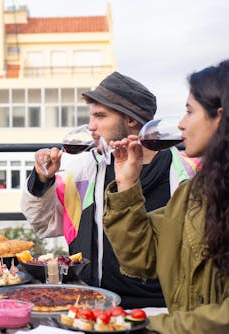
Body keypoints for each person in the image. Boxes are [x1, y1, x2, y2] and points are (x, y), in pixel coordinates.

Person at [21, 72, 199, 308]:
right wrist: (42, 180)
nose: (91, 126)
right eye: (91, 116)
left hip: (163, 309)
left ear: (131, 121)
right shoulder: (84, 170)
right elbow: (44, 224)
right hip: (92, 303)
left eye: (100, 116)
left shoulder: (186, 174)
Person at [103, 60, 229, 333]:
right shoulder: (194, 193)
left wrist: (152, 325)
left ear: (219, 117)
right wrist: (126, 184)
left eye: (189, 112)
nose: (181, 125)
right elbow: (142, 256)